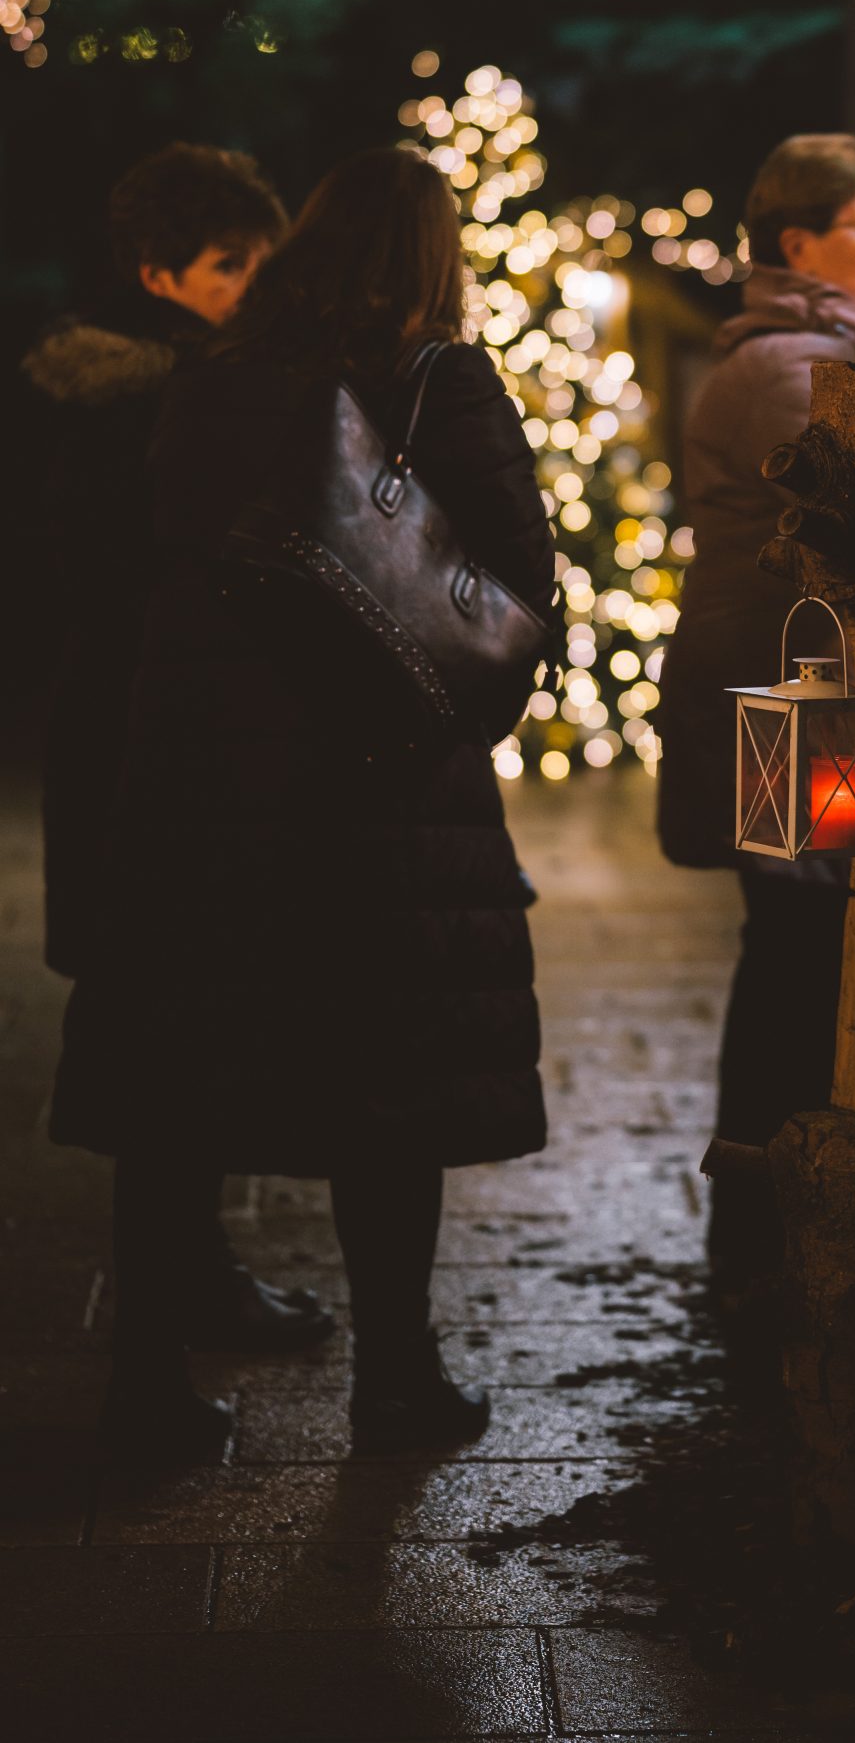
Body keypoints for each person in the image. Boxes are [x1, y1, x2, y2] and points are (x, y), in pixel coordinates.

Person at [50, 146, 555, 1457]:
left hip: (197, 785)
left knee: (176, 1084)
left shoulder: (216, 381)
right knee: (387, 1093)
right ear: (436, 257)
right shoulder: (438, 379)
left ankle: (147, 1389)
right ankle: (396, 1380)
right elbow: (512, 595)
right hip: (373, 790)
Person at [21, 143, 336, 1353]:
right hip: (146, 752)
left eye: (264, 257)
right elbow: (127, 585)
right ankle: (167, 1318)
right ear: (158, 275)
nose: (254, 282)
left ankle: (192, 1282)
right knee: (166, 1042)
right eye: (227, 264)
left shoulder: (183, 387)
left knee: (178, 1034)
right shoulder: (147, 405)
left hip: (148, 743)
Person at [655, 135, 855, 1290]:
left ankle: (769, 1232)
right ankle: (756, 1239)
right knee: (795, 961)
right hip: (790, 723)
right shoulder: (781, 368)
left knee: (801, 959)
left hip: (818, 716)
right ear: (798, 244)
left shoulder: (847, 349)